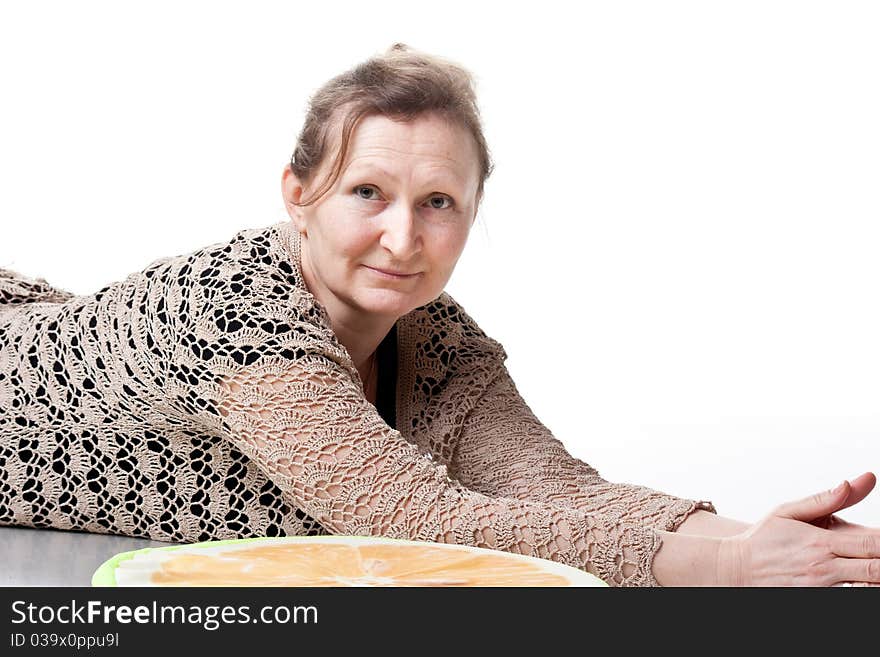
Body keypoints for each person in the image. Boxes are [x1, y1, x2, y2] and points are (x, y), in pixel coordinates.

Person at [1, 43, 877, 587]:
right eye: (367, 192)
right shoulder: (232, 316)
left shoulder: (439, 335)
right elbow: (414, 520)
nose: (401, 236)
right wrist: (729, 568)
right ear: (297, 195)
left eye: (438, 202)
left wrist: (785, 544)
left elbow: (558, 490)